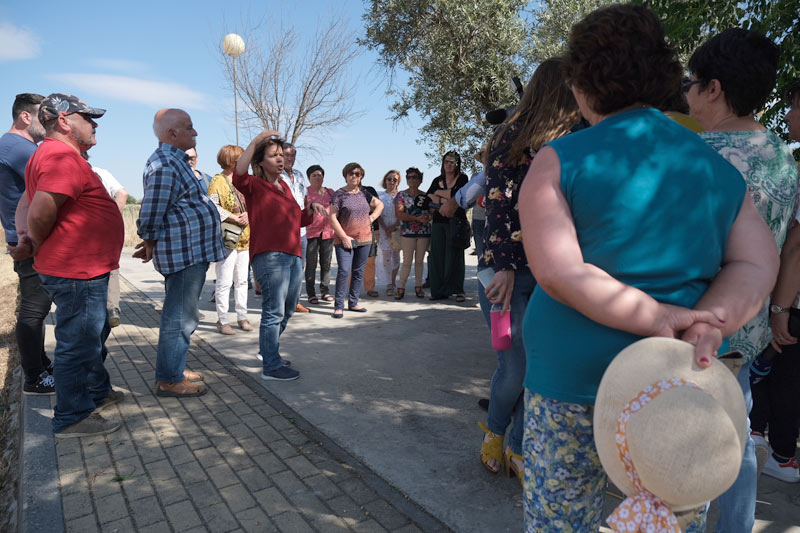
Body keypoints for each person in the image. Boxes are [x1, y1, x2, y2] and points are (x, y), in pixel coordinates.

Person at [517, 5, 778, 531]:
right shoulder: (718, 171)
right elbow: (757, 260)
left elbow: (558, 271)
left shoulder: (559, 158)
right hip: (678, 380)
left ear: (582, 86)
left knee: (559, 520)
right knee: (671, 510)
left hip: (570, 377)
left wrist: (655, 317)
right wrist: (709, 320)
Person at [686, 28, 798, 528]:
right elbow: (788, 245)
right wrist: (777, 310)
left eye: (692, 82)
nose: (687, 93)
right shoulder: (782, 156)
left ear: (714, 88)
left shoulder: (698, 153)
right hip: (748, 327)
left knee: (688, 445)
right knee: (737, 432)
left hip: (695, 326)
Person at [477, 58, 580, 484]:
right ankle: (494, 433)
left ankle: (518, 447)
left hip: (552, 273)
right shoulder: (511, 135)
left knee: (537, 369)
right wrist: (503, 265)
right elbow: (499, 201)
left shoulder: (574, 139)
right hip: (506, 276)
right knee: (514, 368)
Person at [24, 93, 125, 437]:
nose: (94, 124)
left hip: (82, 269)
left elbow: (27, 203)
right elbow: (39, 212)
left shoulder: (55, 154)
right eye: (88, 118)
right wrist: (39, 241)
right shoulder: (61, 156)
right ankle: (72, 417)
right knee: (77, 346)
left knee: (87, 340)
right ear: (64, 121)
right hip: (77, 270)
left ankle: (96, 393)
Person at [135, 108, 226, 398]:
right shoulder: (165, 163)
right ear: (172, 134)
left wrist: (150, 240)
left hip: (189, 253)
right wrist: (149, 239)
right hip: (185, 255)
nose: (195, 132)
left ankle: (174, 368)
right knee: (180, 318)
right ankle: (169, 380)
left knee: (182, 315)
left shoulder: (174, 161)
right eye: (189, 127)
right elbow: (152, 210)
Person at [234, 131, 325, 381]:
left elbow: (297, 218)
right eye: (273, 155)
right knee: (273, 311)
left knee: (288, 309)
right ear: (260, 161)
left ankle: (268, 351)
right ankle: (271, 366)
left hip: (293, 253)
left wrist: (311, 209)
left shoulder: (284, 186)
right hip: (270, 256)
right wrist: (256, 141)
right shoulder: (254, 184)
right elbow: (239, 174)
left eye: (281, 155)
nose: (280, 159)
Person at [752, 79, 800, 484]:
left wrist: (780, 308)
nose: (788, 115)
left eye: (795, 107)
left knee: (783, 378)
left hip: (794, 301)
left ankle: (781, 455)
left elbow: (796, 247)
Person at [0, 93, 54, 395]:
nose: (47, 122)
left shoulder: (13, 146)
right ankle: (34, 376)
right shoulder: (20, 148)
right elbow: (52, 181)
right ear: (25, 117)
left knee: (37, 307)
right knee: (34, 309)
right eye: (42, 116)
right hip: (28, 241)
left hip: (25, 238)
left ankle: (42, 364)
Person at [329, 163, 383, 318]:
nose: (354, 176)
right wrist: (344, 237)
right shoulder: (339, 194)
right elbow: (332, 218)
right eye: (351, 173)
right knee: (344, 271)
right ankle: (339, 306)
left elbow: (379, 205)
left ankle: (353, 302)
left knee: (358, 272)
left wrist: (372, 218)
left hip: (364, 239)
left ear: (361, 176)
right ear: (345, 175)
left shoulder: (365, 193)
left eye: (357, 174)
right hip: (344, 240)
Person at [208, 144, 251, 335]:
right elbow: (212, 206)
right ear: (232, 160)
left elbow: (254, 202)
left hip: (246, 237)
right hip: (227, 237)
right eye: (241, 159)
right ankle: (223, 319)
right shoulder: (218, 181)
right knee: (224, 281)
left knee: (242, 280)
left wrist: (249, 214)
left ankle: (242, 316)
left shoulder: (245, 181)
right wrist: (233, 217)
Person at [88, 162, 128, 328]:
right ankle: (112, 308)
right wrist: (112, 216)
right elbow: (122, 194)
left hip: (82, 228)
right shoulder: (101, 172)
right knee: (111, 268)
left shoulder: (69, 171)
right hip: (106, 228)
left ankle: (92, 310)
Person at [426, 151, 468, 301]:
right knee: (437, 256)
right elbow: (428, 197)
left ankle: (458, 290)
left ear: (457, 164)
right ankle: (438, 291)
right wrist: (448, 199)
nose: (448, 165)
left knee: (455, 256)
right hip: (438, 221)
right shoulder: (437, 180)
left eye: (452, 162)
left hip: (456, 222)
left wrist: (438, 194)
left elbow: (459, 196)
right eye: (446, 162)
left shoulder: (463, 178)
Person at [281, 142, 311, 313]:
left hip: (301, 231)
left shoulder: (299, 175)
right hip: (285, 230)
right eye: (287, 155)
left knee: (299, 268)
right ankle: (282, 302)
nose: (290, 158)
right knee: (285, 268)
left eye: (292, 155)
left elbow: (305, 198)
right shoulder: (277, 176)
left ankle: (295, 301)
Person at [394, 167, 431, 299]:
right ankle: (401, 288)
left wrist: (427, 217)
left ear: (420, 180)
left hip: (424, 232)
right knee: (407, 261)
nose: (411, 180)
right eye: (409, 177)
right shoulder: (401, 195)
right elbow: (399, 214)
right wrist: (416, 218)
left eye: (414, 177)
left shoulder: (426, 196)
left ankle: (418, 287)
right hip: (407, 232)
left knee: (420, 261)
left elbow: (431, 213)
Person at [304, 164, 335, 304]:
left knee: (326, 263)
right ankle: (311, 293)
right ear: (309, 178)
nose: (317, 177)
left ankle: (325, 291)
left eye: (320, 175)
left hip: (328, 232)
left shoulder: (330, 192)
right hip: (311, 233)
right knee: (311, 264)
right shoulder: (305, 193)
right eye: (314, 175)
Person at [376, 170, 401, 295]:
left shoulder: (401, 196)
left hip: (397, 230)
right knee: (386, 257)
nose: (391, 181)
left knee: (396, 257)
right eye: (389, 179)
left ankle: (393, 280)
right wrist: (385, 228)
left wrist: (394, 226)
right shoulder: (379, 195)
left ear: (398, 182)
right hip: (383, 230)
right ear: (385, 180)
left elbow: (402, 213)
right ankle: (388, 284)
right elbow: (377, 213)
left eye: (394, 179)